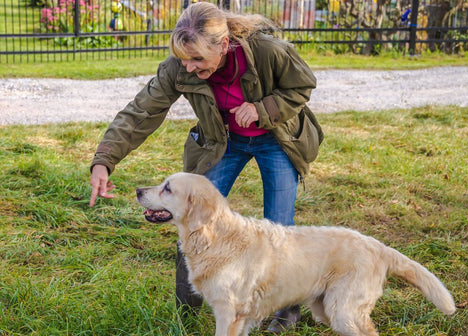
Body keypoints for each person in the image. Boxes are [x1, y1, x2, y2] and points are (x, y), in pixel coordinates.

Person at [89, 2, 323, 332]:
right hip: (222, 142)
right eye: (184, 58)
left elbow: (302, 85)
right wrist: (104, 160)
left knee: (280, 227)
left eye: (197, 59)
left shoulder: (268, 50)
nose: (188, 66)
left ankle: (286, 310)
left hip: (276, 138)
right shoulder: (180, 66)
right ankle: (188, 306)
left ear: (223, 46)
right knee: (189, 214)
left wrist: (260, 109)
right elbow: (140, 112)